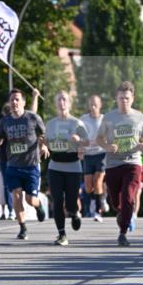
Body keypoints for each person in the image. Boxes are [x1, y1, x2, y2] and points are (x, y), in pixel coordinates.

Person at [0, 88, 48, 241]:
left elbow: (44, 135)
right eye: (12, 100)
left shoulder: (32, 118)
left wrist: (43, 146)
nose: (14, 102)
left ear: (23, 102)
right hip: (13, 166)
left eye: (17, 99)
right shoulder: (5, 121)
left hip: (31, 165)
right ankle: (23, 228)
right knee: (16, 196)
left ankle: (38, 205)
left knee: (30, 200)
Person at [96, 81, 143, 247]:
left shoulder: (140, 117)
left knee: (128, 196)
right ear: (116, 99)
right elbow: (99, 138)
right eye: (121, 98)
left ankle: (123, 233)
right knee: (115, 201)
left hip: (133, 162)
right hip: (113, 163)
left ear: (132, 98)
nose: (124, 101)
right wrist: (107, 147)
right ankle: (122, 212)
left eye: (127, 98)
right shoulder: (108, 117)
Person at [44, 91, 88, 246]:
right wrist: (43, 145)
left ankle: (74, 213)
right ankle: (62, 234)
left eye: (64, 99)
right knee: (57, 200)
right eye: (59, 99)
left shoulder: (77, 123)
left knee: (70, 203)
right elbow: (46, 141)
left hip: (73, 167)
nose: (62, 102)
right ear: (56, 103)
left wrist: (79, 140)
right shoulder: (50, 124)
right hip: (55, 166)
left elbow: (87, 141)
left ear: (69, 103)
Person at [81, 95, 108, 220]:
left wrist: (102, 142)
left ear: (100, 105)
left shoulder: (105, 119)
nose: (93, 107)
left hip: (101, 154)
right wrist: (81, 145)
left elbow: (110, 137)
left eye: (95, 104)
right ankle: (97, 198)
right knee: (88, 186)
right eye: (91, 104)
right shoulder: (83, 119)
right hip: (88, 155)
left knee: (97, 181)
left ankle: (97, 211)